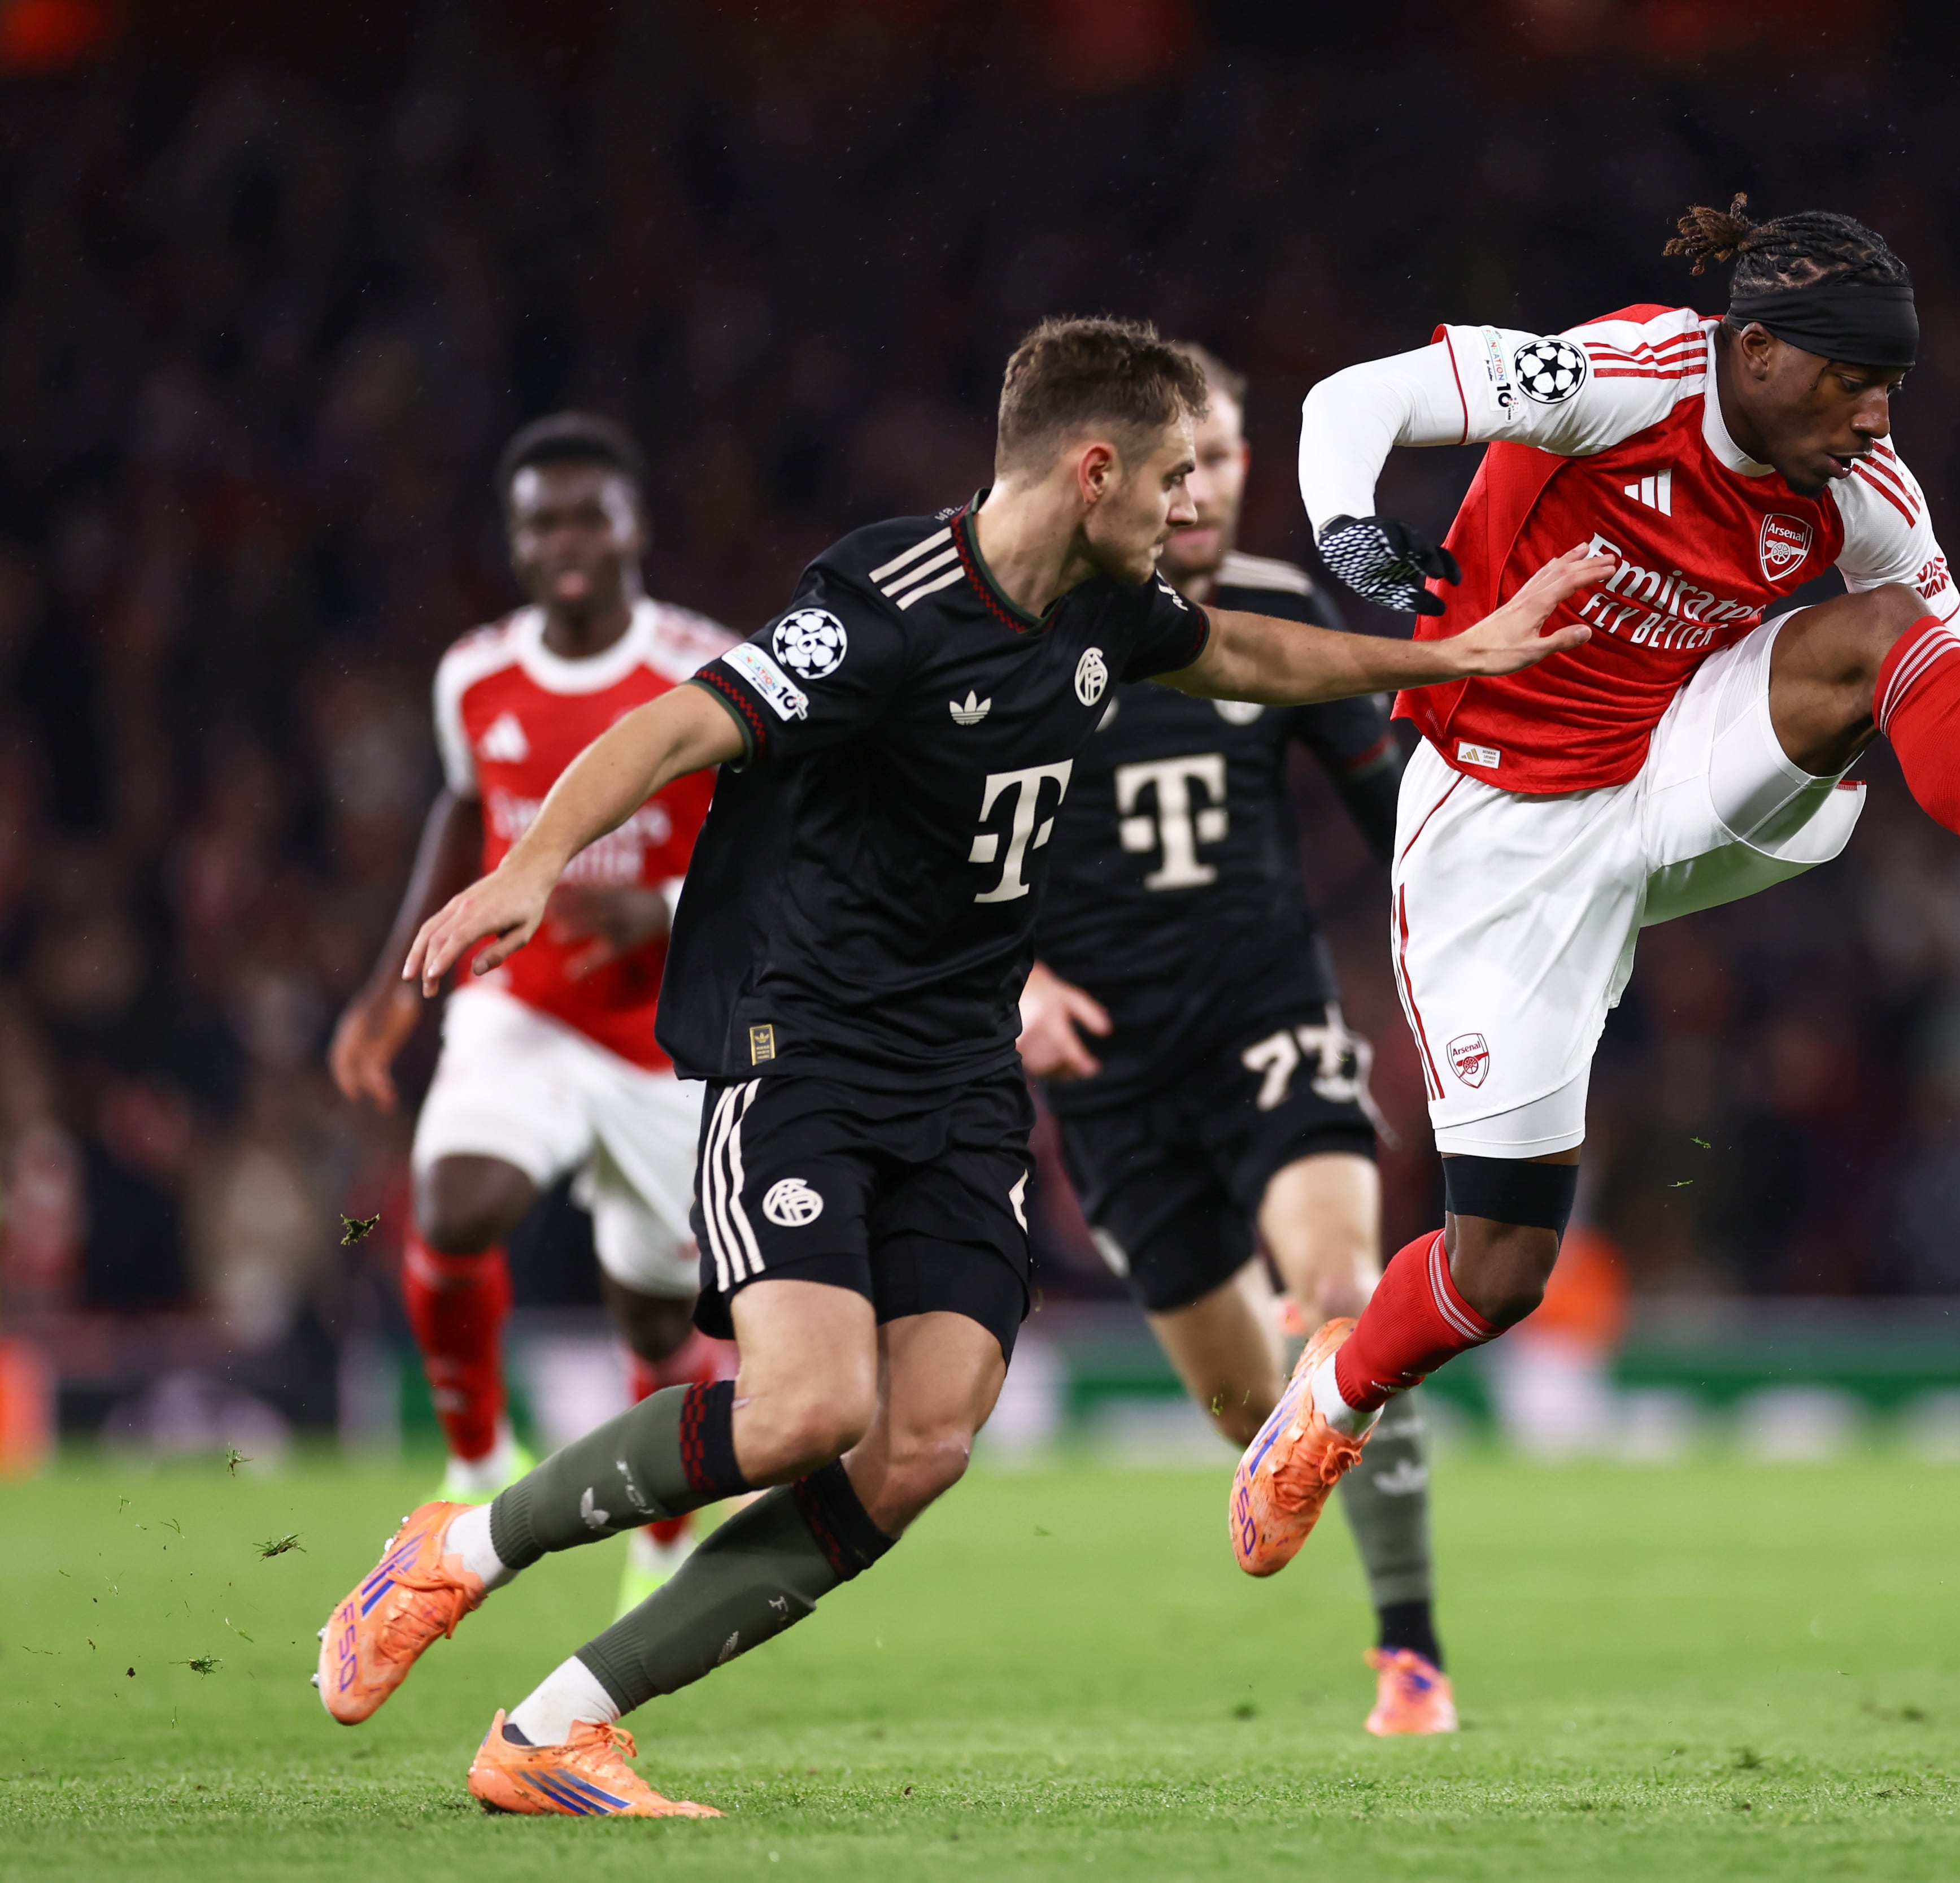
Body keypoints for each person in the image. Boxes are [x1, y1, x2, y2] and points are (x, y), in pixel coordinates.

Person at [312, 315, 1605, 1816]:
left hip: (965, 1074)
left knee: (921, 1441)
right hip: (805, 1053)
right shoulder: (884, 606)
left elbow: (1248, 651)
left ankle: (557, 1724)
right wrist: (533, 862)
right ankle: (463, 1547)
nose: (1191, 502)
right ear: (1095, 470)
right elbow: (674, 723)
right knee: (804, 1410)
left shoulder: (1110, 607)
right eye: (1172, 476)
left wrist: (1450, 652)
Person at [1227, 194, 1960, 1578]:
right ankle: (1332, 1400)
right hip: (1497, 836)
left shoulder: (1867, 493)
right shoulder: (1621, 377)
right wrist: (1348, 532)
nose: (1875, 417)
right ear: (1753, 351)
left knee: (1895, 637)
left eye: (1891, 386)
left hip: (1675, 764)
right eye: (1851, 380)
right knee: (1499, 1269)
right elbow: (1352, 400)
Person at [1016, 343, 1451, 1734]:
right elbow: (924, 850)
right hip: (1111, 1074)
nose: (1199, 491)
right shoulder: (1033, 630)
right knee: (1253, 1413)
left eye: (1221, 460)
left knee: (1344, 1292)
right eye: (1177, 463)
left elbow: (1397, 817)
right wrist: (1016, 981)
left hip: (1266, 1017)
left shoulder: (1278, 610)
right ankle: (1286, 1393)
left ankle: (1411, 1653)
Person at [326, 414, 737, 1616]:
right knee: (454, 1206)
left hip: (667, 1037)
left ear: (634, 527)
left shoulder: (706, 666)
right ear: (513, 539)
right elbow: (466, 811)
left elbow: (778, 841)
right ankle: (475, 1460)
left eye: (587, 517)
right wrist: (391, 991)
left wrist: (661, 906)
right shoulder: (475, 673)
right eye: (540, 521)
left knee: (657, 1319)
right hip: (524, 1004)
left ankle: (665, 1535)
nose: (565, 541)